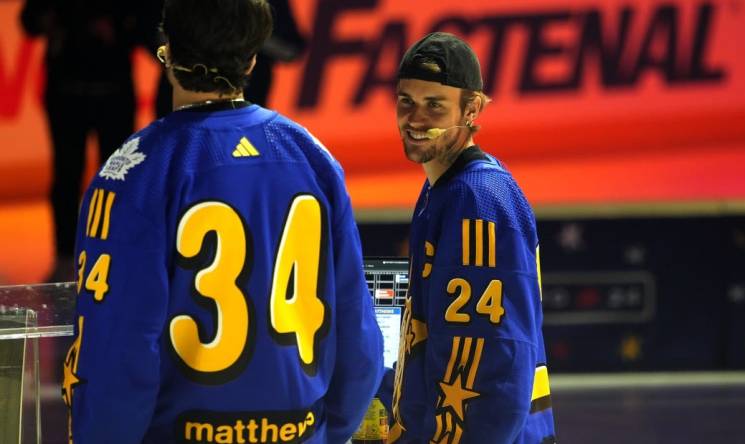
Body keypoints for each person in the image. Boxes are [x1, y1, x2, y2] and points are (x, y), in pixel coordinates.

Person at [61, 1, 383, 442]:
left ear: (166, 51)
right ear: (252, 58)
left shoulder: (132, 172)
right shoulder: (313, 157)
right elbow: (358, 333)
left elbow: (117, 351)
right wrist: (328, 431)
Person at [388, 32, 556, 443]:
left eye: (435, 105)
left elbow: (488, 359)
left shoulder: (476, 198)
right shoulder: (444, 186)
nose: (415, 119)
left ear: (473, 108)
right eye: (407, 101)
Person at [20, 0, 146, 283]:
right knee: (66, 174)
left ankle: (116, 251)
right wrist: (50, 21)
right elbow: (29, 21)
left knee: (119, 180)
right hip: (66, 93)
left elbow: (147, 27)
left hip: (113, 94)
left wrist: (117, 32)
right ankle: (65, 255)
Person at [153, 0, 306, 117]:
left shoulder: (144, 147)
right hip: (178, 107)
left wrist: (238, 31)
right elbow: (150, 30)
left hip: (248, 100)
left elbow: (291, 50)